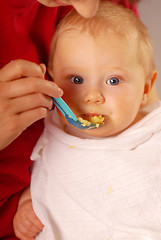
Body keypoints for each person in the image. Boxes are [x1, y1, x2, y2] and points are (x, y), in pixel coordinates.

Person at [14, 1, 161, 239]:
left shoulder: (153, 136)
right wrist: (29, 204)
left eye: (113, 81)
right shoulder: (52, 130)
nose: (92, 97)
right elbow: (50, 178)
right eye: (76, 80)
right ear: (51, 81)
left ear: (145, 88)